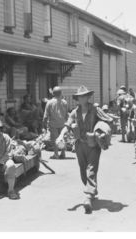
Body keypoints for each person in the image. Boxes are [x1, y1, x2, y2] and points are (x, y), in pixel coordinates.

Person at [56, 85, 112, 214]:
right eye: (80, 97)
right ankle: (92, 190)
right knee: (83, 171)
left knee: (91, 170)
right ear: (77, 99)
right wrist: (60, 135)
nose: (82, 99)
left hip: (93, 144)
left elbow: (108, 121)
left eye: (84, 96)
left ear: (88, 97)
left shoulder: (95, 110)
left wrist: (102, 132)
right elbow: (67, 125)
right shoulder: (75, 112)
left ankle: (88, 197)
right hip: (79, 145)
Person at [43, 86, 68, 159]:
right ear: (61, 93)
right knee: (62, 138)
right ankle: (63, 153)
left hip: (53, 124)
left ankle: (56, 154)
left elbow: (45, 116)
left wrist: (44, 124)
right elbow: (66, 114)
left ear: (53, 94)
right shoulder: (65, 102)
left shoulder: (49, 103)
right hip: (63, 123)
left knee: (55, 139)